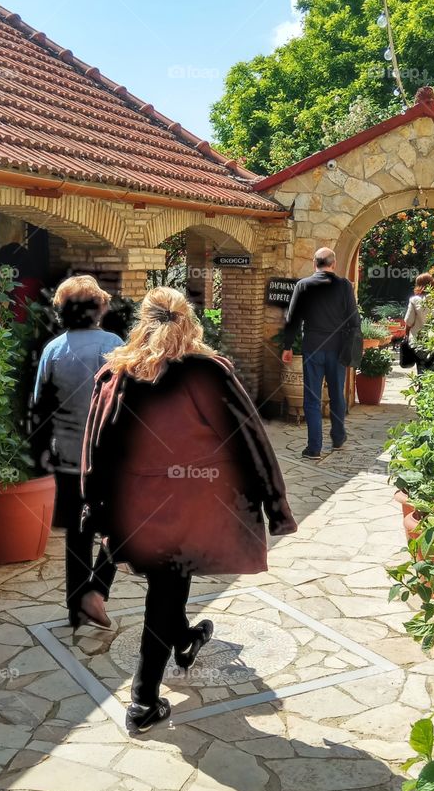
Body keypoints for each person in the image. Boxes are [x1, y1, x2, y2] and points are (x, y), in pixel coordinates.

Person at [80, 286, 298, 734]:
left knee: (167, 584)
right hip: (190, 507)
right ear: (190, 320)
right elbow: (250, 439)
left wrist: (93, 504)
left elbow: (94, 445)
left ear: (142, 321)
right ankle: (142, 701)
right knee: (166, 589)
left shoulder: (117, 373)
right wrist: (274, 504)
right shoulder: (207, 373)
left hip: (134, 508)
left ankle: (186, 639)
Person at [32, 275, 123, 627]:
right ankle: (97, 589)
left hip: (68, 457)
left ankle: (76, 606)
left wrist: (40, 453)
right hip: (107, 456)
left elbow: (40, 406)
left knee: (77, 531)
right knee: (121, 525)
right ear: (98, 308)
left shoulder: (54, 351)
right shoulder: (114, 345)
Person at [281, 247, 361, 460]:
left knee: (312, 398)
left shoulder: (303, 286)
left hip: (312, 347)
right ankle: (337, 437)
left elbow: (293, 320)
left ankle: (314, 448)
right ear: (333, 264)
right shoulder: (344, 286)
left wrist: (287, 346)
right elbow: (354, 320)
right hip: (338, 348)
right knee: (337, 393)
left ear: (314, 264)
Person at [404, 272, 434, 372]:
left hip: (419, 340)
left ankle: (422, 387)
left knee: (421, 367)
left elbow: (409, 321)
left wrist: (406, 334)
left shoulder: (414, 300)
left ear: (418, 285)